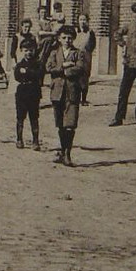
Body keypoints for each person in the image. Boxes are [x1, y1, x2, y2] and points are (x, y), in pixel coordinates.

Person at [46, 24, 89, 166]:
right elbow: (48, 67)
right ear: (59, 39)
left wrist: (66, 72)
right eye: (64, 38)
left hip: (72, 92)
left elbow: (80, 68)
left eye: (70, 38)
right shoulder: (54, 53)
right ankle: (62, 151)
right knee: (60, 124)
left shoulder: (78, 53)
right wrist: (63, 66)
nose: (67, 40)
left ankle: (68, 153)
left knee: (70, 123)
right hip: (57, 92)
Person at [12, 36, 42, 150]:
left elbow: (39, 75)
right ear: (21, 51)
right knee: (20, 117)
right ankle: (19, 139)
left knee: (34, 117)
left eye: (31, 50)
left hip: (34, 93)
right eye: (26, 50)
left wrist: (27, 72)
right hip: (22, 93)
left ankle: (35, 141)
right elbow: (17, 77)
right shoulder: (19, 65)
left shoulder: (37, 63)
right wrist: (27, 73)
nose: (28, 53)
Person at [72, 13, 97, 103]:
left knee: (85, 76)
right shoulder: (75, 31)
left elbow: (93, 44)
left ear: (87, 21)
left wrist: (87, 50)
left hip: (86, 55)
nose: (82, 22)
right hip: (76, 55)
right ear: (78, 21)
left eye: (84, 20)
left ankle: (84, 99)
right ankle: (76, 97)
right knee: (76, 75)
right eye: (80, 20)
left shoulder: (90, 32)